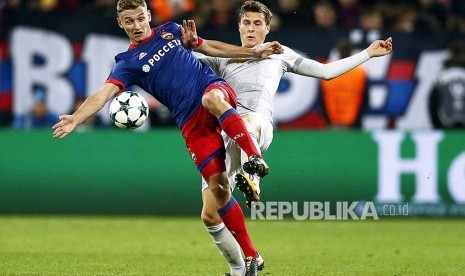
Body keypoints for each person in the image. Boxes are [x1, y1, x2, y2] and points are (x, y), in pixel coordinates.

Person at [52, 0, 283, 275]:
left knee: (213, 98)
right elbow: (103, 95)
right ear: (120, 24)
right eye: (129, 21)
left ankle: (254, 159)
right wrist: (76, 118)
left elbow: (210, 46)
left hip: (210, 88)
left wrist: (253, 53)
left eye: (140, 18)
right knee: (219, 190)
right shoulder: (127, 63)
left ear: (148, 15)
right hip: (190, 123)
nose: (137, 25)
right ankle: (252, 257)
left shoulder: (171, 31)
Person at [183, 0, 392, 272]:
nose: (251, 28)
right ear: (238, 26)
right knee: (210, 215)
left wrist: (368, 53)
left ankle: (254, 173)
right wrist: (187, 47)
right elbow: (186, 63)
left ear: (267, 28)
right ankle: (243, 267)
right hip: (224, 139)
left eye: (258, 24)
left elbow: (326, 72)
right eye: (246, 23)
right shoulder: (223, 56)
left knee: (246, 121)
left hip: (258, 127)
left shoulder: (280, 55)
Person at [320, 38, 368, 129]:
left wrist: (328, 121)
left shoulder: (327, 70)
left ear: (337, 51)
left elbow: (321, 99)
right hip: (353, 123)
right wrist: (358, 121)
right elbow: (365, 99)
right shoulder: (360, 72)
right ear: (352, 51)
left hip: (333, 122)